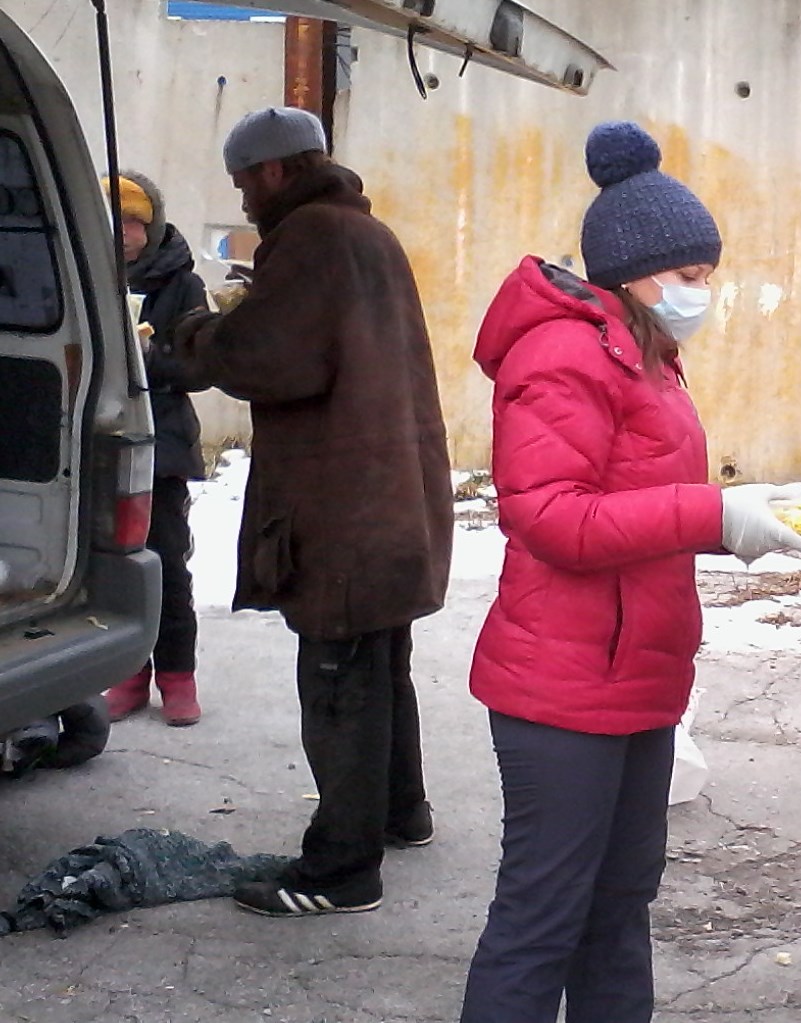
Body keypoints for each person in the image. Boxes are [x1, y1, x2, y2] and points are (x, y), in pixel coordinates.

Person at [459, 120, 801, 1023]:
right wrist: (710, 513)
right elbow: (550, 517)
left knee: (619, 912)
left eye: (706, 275)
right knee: (542, 917)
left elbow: (635, 500)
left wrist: (737, 521)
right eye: (690, 276)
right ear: (633, 271)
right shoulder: (563, 353)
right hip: (564, 688)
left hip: (638, 677)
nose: (703, 293)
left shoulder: (645, 353)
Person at [174, 107, 453, 917]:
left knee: (338, 679)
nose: (245, 198)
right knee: (379, 665)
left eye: (243, 182)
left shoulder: (311, 237)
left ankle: (341, 868)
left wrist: (196, 334)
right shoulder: (368, 233)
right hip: (392, 496)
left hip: (345, 510)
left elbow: (269, 356)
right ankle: (401, 812)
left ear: (274, 171)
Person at [100, 172, 208, 727]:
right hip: (107, 443)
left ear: (152, 224)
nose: (122, 233)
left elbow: (197, 366)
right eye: (114, 220)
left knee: (166, 562)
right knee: (116, 565)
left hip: (162, 446)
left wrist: (143, 359)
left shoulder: (183, 285)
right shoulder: (90, 273)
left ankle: (177, 676)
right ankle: (130, 671)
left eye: (134, 222)